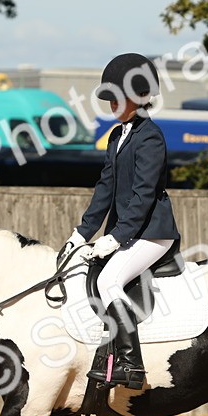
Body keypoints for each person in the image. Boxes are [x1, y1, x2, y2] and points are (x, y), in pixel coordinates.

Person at [59, 53, 180, 389]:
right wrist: (80, 235)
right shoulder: (116, 136)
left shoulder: (151, 137)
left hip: (153, 232)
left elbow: (143, 196)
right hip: (129, 232)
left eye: (116, 96)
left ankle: (131, 364)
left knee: (109, 280)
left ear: (137, 97)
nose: (110, 102)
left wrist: (114, 238)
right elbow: (105, 189)